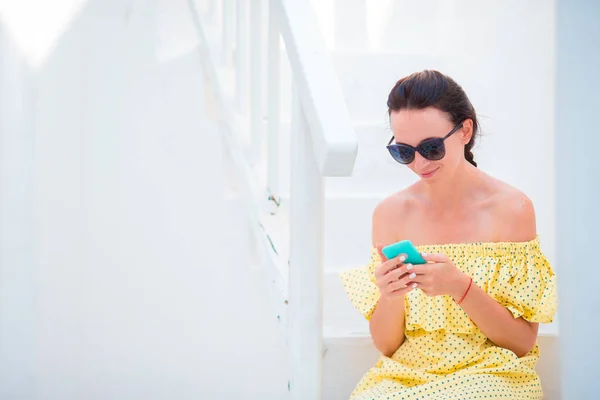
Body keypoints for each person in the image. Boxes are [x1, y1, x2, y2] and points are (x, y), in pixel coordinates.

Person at [340, 70, 557, 400]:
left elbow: (522, 343)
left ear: (465, 131)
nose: (419, 163)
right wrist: (390, 295)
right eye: (404, 152)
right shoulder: (390, 214)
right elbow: (387, 346)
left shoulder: (512, 209)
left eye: (430, 147)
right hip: (406, 374)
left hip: (490, 372)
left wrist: (460, 287)